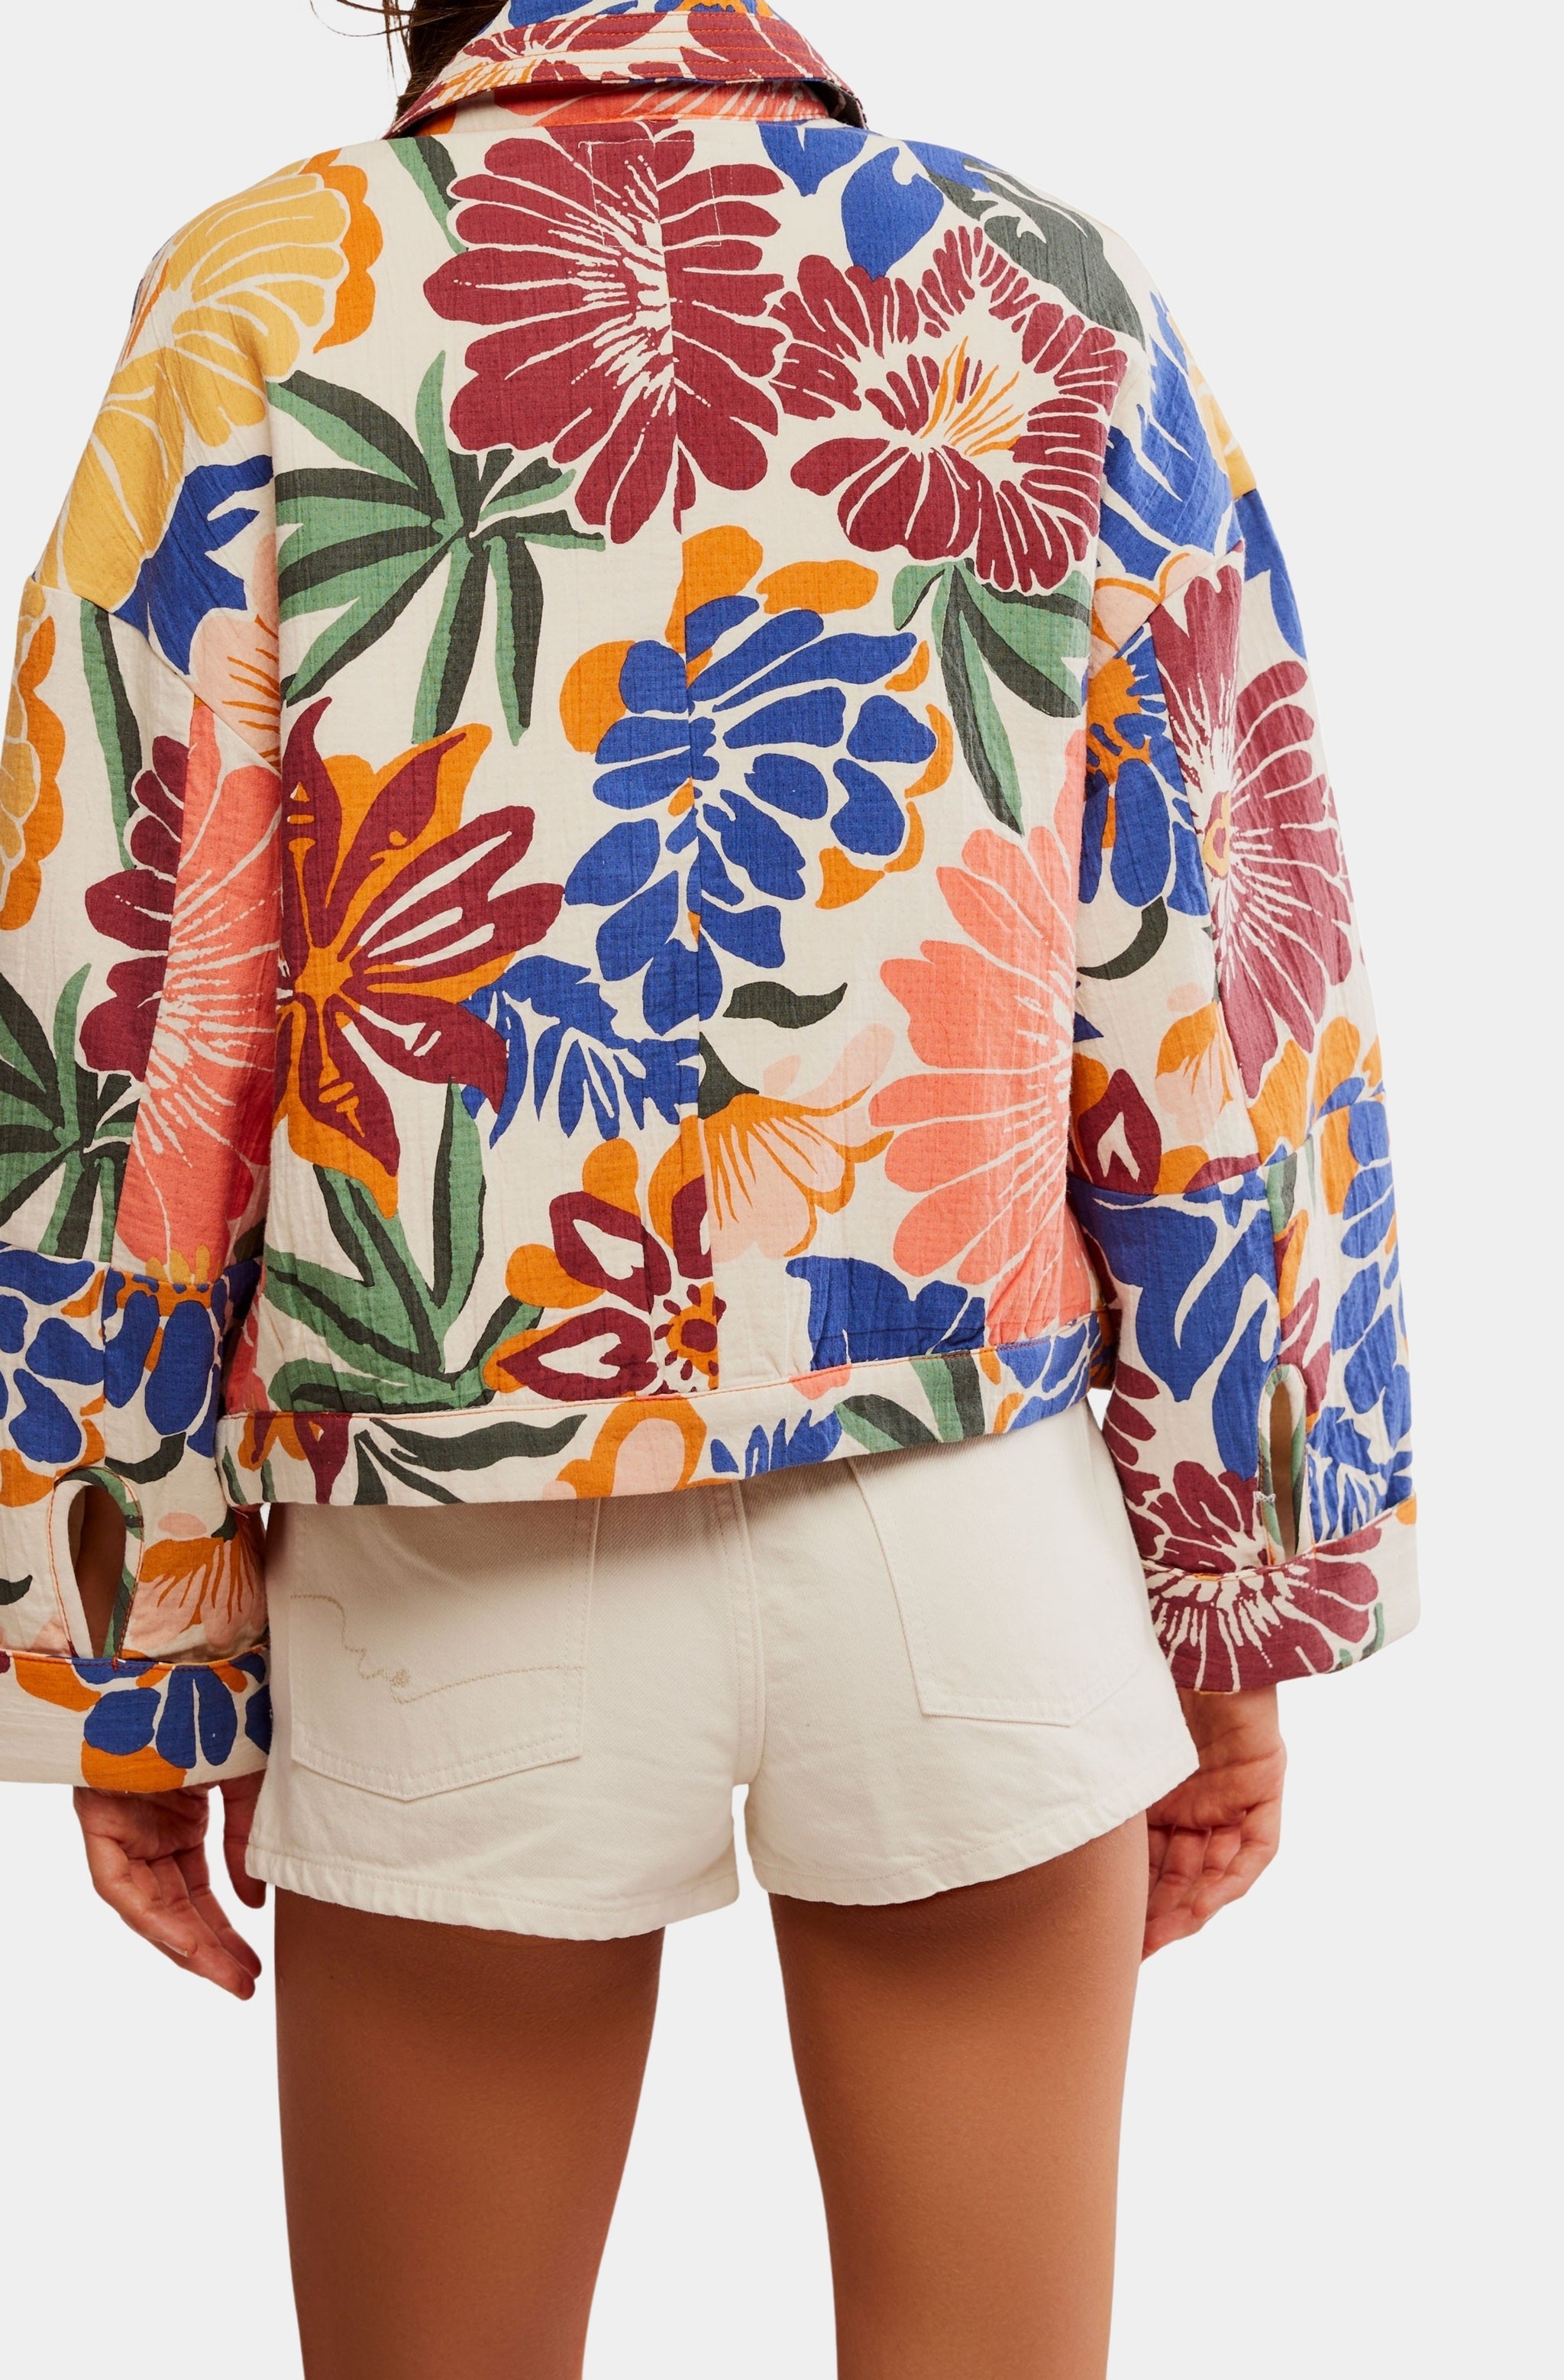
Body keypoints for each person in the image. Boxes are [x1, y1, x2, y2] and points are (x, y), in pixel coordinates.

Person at [0, 4, 1418, 2372]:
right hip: (969, 1523)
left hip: (454, 1538)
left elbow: (121, 1002)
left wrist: (128, 1642)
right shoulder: (1043, 283)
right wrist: (1237, 1588)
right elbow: (1225, 974)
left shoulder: (261, 301)